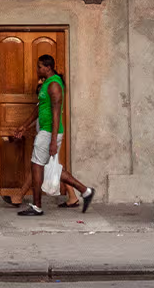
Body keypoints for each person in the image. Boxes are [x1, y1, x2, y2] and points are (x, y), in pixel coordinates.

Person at [11, 55, 94, 216]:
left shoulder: (54, 85)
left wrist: (53, 140)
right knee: (49, 167)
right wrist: (24, 126)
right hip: (46, 131)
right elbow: (39, 108)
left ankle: (36, 206)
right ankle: (86, 191)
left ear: (48, 67)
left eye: (39, 67)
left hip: (49, 132)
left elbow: (56, 114)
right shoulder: (46, 85)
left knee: (37, 166)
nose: (37, 70)